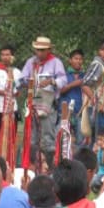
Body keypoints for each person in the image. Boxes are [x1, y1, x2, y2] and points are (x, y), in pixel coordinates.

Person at [21, 36, 67, 169]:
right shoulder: (31, 62)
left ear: (48, 50)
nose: (39, 53)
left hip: (48, 103)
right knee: (31, 137)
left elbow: (63, 80)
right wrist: (29, 81)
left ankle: (49, 167)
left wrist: (51, 81)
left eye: (42, 50)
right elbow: (22, 78)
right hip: (32, 102)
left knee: (47, 137)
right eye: (38, 50)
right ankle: (33, 166)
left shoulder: (56, 62)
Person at [0, 45, 22, 146]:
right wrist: (6, 93)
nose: (5, 57)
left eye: (8, 55)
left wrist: (13, 92)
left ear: (12, 57)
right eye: (3, 55)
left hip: (12, 109)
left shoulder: (17, 72)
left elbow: (18, 91)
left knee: (11, 138)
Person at [60, 49, 86, 146]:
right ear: (70, 60)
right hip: (64, 113)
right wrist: (73, 84)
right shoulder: (63, 75)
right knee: (63, 141)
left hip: (80, 113)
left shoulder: (85, 76)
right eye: (76, 58)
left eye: (80, 59)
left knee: (80, 141)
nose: (78, 61)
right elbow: (60, 91)